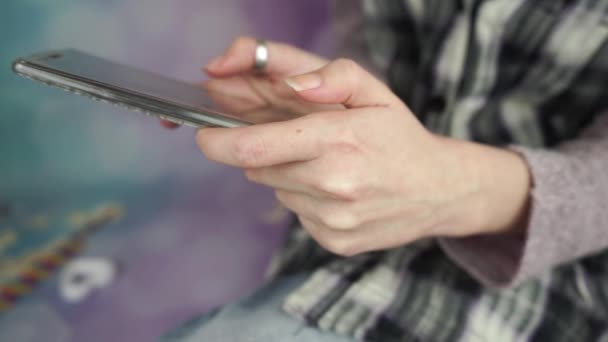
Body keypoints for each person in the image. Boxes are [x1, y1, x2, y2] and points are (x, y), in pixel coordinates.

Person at [163, 1, 608, 341]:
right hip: (330, 259)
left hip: (551, 292)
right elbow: (379, 37)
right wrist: (332, 100)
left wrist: (449, 184)